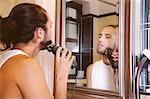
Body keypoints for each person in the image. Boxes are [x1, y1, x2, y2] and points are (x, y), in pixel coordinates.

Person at [0, 3, 74, 99]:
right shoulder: (26, 64)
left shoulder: (5, 58)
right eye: (50, 27)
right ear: (39, 33)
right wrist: (61, 77)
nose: (51, 32)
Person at [86, 25, 119, 91]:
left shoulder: (125, 70)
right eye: (100, 36)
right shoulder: (91, 69)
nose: (100, 39)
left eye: (107, 37)